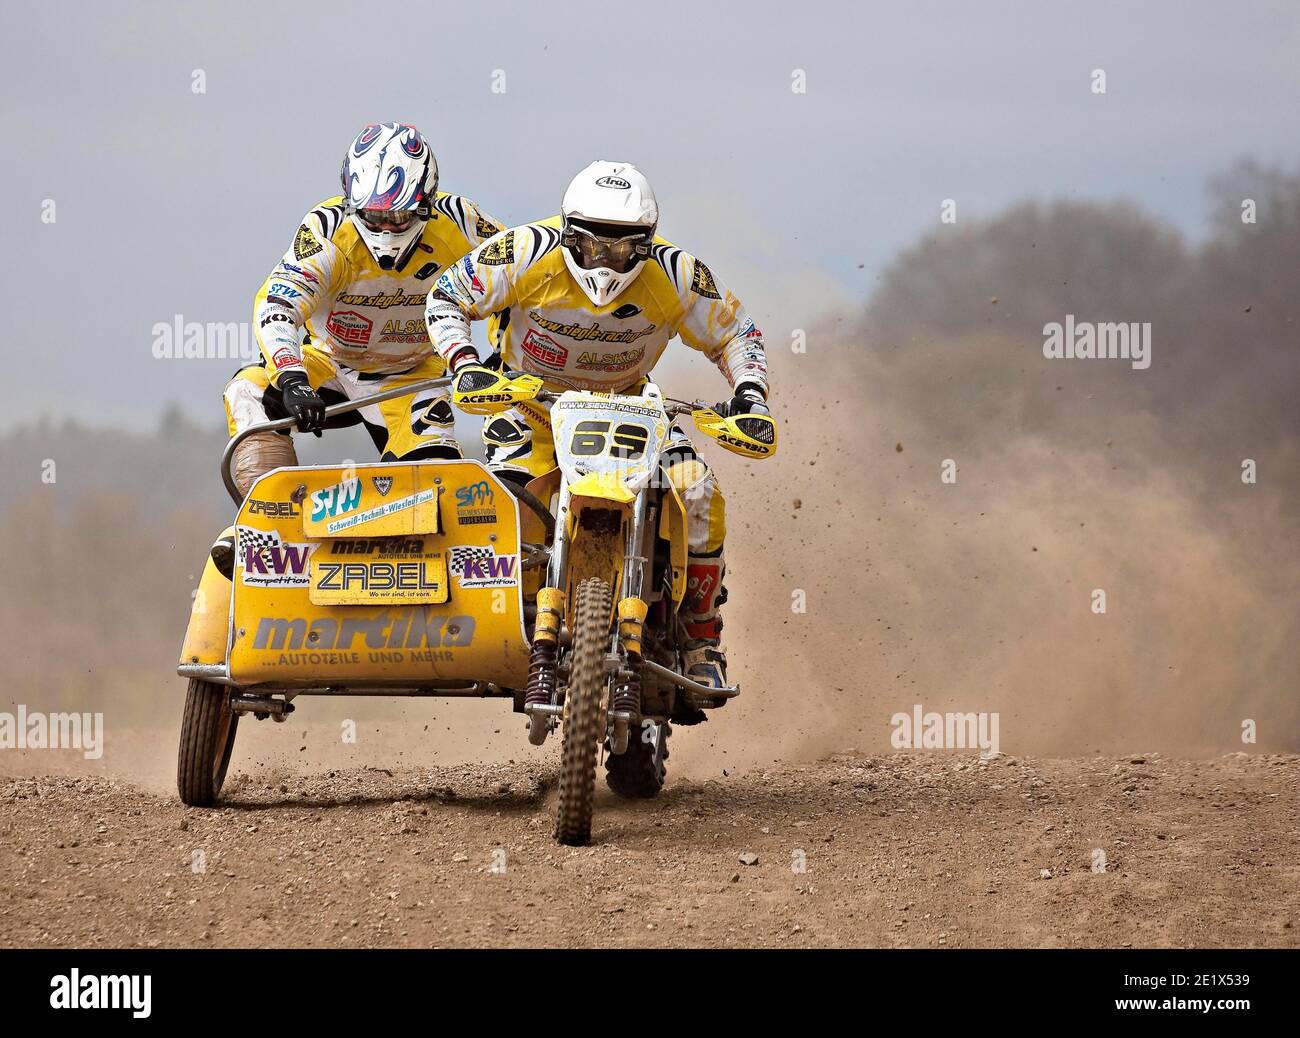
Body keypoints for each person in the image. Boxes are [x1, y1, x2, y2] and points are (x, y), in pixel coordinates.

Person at [424, 161, 770, 692]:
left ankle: (702, 638)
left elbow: (737, 332)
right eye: (591, 244)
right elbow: (446, 295)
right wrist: (465, 362)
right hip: (531, 409)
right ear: (567, 231)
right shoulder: (523, 251)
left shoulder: (677, 273)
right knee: (503, 507)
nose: (606, 259)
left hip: (632, 410)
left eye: (623, 245)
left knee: (698, 492)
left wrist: (750, 393)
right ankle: (499, 622)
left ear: (648, 241)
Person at [222, 122, 504, 497]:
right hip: (329, 364)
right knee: (247, 390)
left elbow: (522, 283)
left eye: (400, 217)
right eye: (373, 216)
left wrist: (501, 357)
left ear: (427, 203)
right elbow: (277, 305)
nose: (386, 229)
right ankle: (268, 514)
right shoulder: (327, 230)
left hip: (411, 377)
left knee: (438, 487)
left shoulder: (462, 224)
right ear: (351, 202)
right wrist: (291, 377)